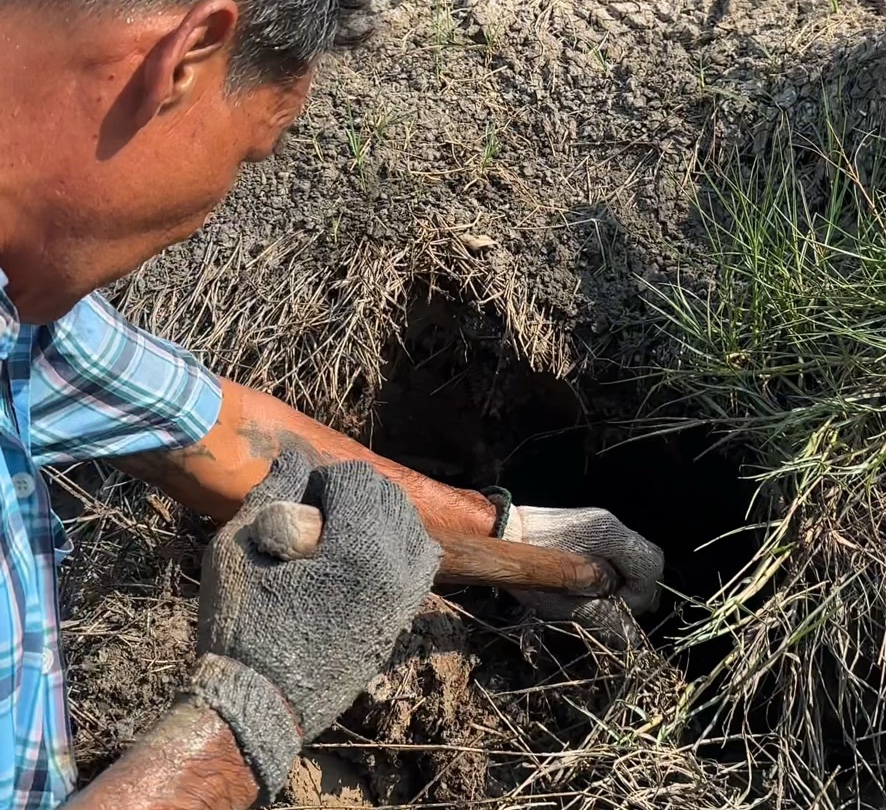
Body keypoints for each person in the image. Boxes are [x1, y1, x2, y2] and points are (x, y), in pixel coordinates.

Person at [0, 1, 666, 808]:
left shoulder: (20, 303)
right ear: (188, 55)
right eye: (247, 156)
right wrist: (249, 712)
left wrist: (507, 533)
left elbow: (213, 431)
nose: (210, 211)